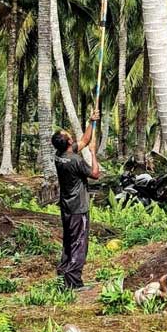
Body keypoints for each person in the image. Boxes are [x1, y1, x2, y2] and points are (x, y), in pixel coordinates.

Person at [52, 111, 100, 290]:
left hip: (66, 206)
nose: (71, 135)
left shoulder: (60, 155)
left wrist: (91, 121)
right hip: (78, 208)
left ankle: (64, 271)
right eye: (69, 135)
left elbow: (85, 140)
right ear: (68, 142)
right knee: (79, 243)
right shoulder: (74, 160)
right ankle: (73, 282)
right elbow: (95, 174)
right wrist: (93, 154)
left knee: (69, 240)